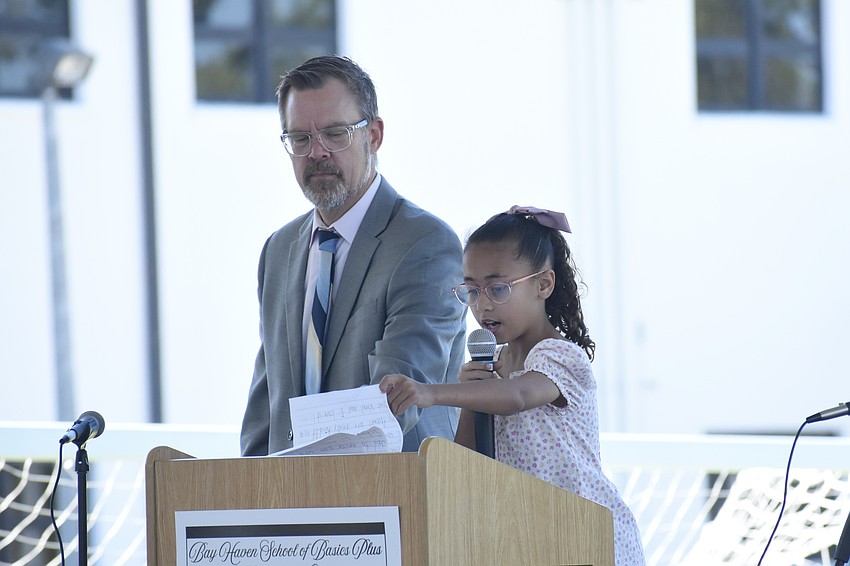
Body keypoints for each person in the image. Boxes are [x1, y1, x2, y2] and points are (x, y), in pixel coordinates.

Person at [379, 206, 645, 564]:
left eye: (498, 288)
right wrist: (470, 399)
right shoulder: (493, 366)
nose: (483, 305)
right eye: (472, 291)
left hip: (582, 533)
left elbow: (518, 395)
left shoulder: (559, 356)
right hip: (525, 534)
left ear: (543, 284)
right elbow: (468, 459)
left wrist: (431, 392)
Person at [240, 55, 466, 455]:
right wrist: (249, 490)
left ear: (374, 136)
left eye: (335, 133)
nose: (317, 152)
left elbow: (394, 403)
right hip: (286, 492)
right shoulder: (279, 249)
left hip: (390, 489)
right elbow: (266, 409)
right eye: (300, 138)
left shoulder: (425, 244)